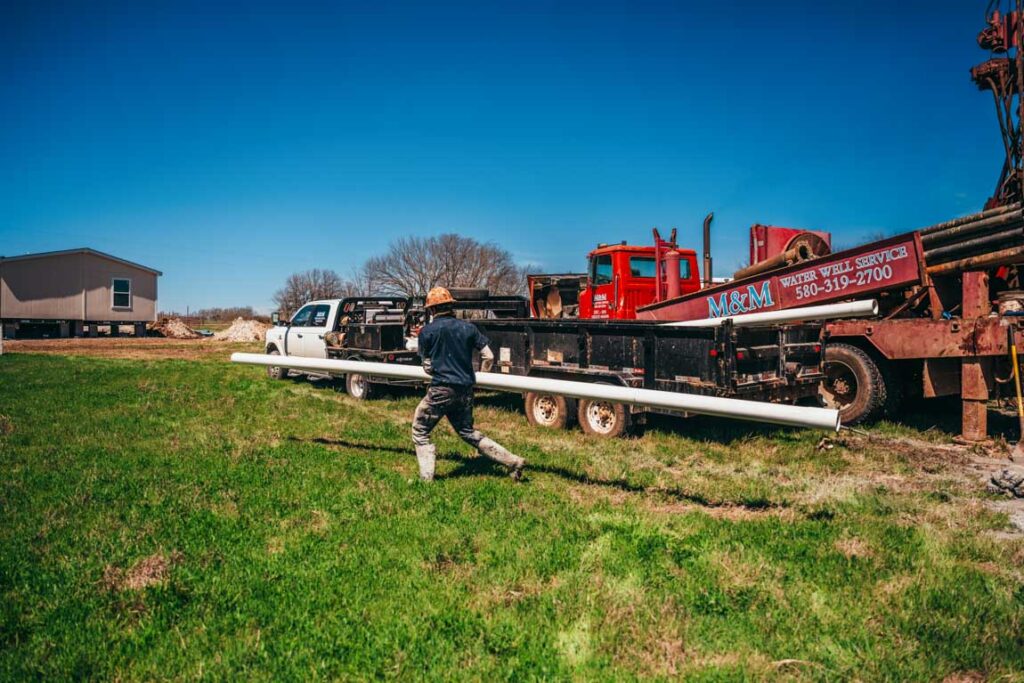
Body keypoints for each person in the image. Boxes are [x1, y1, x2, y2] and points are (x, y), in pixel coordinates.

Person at [411, 287, 526, 482]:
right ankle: (512, 461)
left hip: (441, 389)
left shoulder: (427, 332)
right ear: (451, 306)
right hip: (465, 390)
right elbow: (488, 356)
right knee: (467, 432)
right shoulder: (468, 328)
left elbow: (427, 366)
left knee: (420, 430)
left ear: (431, 310)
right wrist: (482, 375)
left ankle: (426, 479)